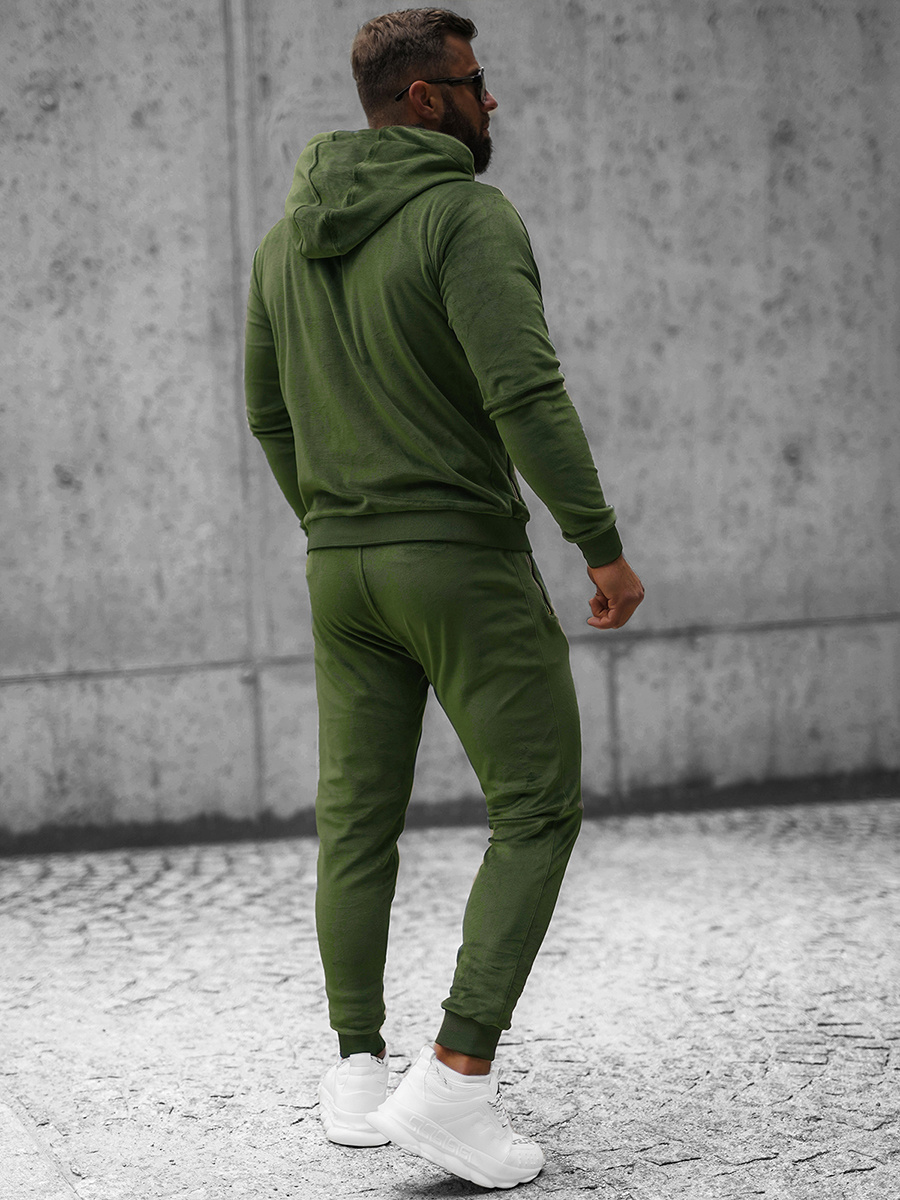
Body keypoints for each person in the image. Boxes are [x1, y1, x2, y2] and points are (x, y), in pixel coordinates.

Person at [244, 7, 644, 1189]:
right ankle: (456, 1079)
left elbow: (267, 413)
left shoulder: (283, 244)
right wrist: (601, 547)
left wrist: (332, 518)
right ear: (424, 99)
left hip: (342, 571)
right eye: (474, 81)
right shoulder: (466, 215)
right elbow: (525, 393)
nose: (490, 99)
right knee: (537, 808)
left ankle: (357, 1070)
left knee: (355, 819)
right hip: (459, 560)